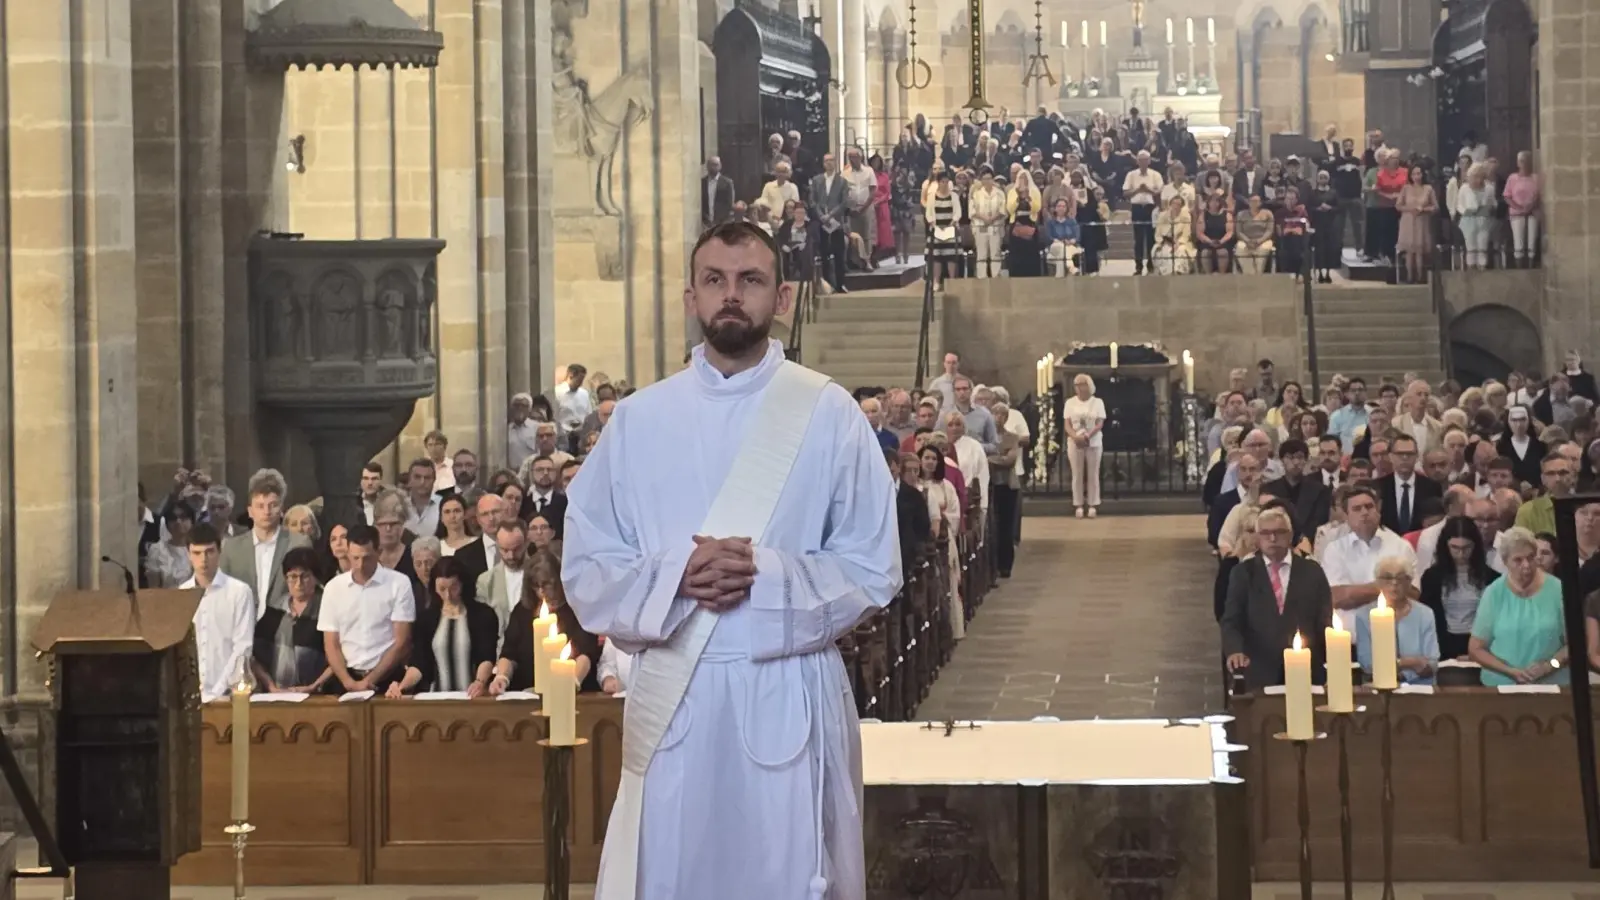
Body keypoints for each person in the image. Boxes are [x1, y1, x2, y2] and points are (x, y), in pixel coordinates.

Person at [561, 221, 902, 900]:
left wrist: (764, 575)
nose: (731, 296)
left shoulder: (828, 413)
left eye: (750, 281)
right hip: (674, 699)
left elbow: (872, 563)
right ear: (691, 296)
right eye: (715, 280)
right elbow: (588, 564)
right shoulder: (638, 421)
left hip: (789, 690)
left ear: (781, 298)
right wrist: (676, 578)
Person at [1221, 507, 1334, 691]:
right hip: (1259, 670)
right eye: (1266, 533)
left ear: (1290, 536)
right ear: (1257, 538)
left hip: (1307, 670)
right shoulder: (1242, 573)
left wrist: (1333, 663)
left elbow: (1324, 620)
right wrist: (1234, 650)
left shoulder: (1312, 571)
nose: (1272, 539)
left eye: (1279, 532)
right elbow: (1232, 619)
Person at [1469, 527, 1569, 686]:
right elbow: (1476, 649)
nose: (1526, 565)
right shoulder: (1494, 593)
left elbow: (1574, 646)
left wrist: (1549, 666)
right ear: (1505, 561)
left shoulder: (1559, 590)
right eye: (1518, 560)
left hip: (1552, 686)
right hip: (1502, 685)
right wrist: (1510, 672)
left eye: (1531, 557)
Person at [1418, 515, 1493, 660]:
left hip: (1479, 646)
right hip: (1443, 647)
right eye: (1455, 548)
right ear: (1445, 546)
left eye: (1466, 548)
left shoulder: (1491, 578)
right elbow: (1429, 619)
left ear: (1475, 546)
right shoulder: (1431, 578)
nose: (1461, 554)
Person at [1063, 374, 1106, 519]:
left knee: (1093, 473)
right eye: (1077, 384)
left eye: (1082, 384)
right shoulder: (1070, 403)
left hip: (1093, 441)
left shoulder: (1097, 402)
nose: (1079, 387)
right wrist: (1075, 436)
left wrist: (1088, 435)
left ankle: (1093, 504)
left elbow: (1100, 423)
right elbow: (1067, 423)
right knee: (1077, 474)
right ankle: (1079, 504)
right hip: (1075, 441)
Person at [1396, 164, 1437, 284]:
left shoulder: (1428, 188)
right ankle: (1409, 277)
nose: (1416, 176)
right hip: (1408, 221)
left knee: (1419, 250)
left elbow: (1435, 207)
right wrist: (1410, 209)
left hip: (1421, 221)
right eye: (1414, 174)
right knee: (1409, 251)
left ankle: (1420, 276)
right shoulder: (1406, 188)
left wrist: (1423, 209)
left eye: (1419, 173)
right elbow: (1398, 205)